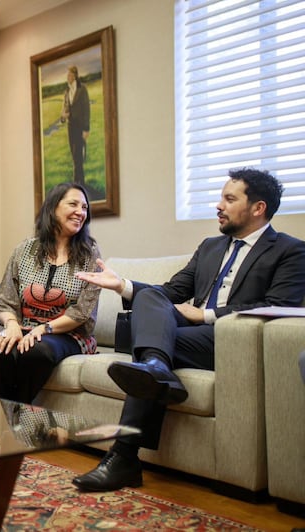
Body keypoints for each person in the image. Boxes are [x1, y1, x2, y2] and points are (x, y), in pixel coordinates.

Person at [72, 167, 305, 492]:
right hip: (187, 335)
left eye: (229, 199)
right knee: (150, 297)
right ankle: (155, 365)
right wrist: (122, 285)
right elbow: (170, 292)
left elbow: (278, 305)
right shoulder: (210, 246)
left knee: (153, 346)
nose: (219, 205)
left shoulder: (290, 250)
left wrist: (206, 315)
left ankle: (124, 453)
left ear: (258, 208)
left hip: (229, 337)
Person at [0, 183, 101, 405]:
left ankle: (11, 418)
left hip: (69, 334)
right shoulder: (25, 250)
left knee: (36, 352)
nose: (80, 212)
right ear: (53, 208)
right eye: (73, 204)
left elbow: (82, 312)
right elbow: (6, 300)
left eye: (85, 207)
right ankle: (9, 419)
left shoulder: (89, 255)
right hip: (27, 328)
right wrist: (11, 325)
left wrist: (44, 328)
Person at [61, 65, 90, 186]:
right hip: (70, 127)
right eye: (67, 75)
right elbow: (64, 110)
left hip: (80, 128)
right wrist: (63, 117)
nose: (68, 77)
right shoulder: (67, 92)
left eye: (69, 74)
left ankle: (78, 183)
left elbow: (86, 110)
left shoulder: (82, 89)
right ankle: (78, 183)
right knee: (74, 157)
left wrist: (86, 129)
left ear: (74, 75)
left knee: (78, 156)